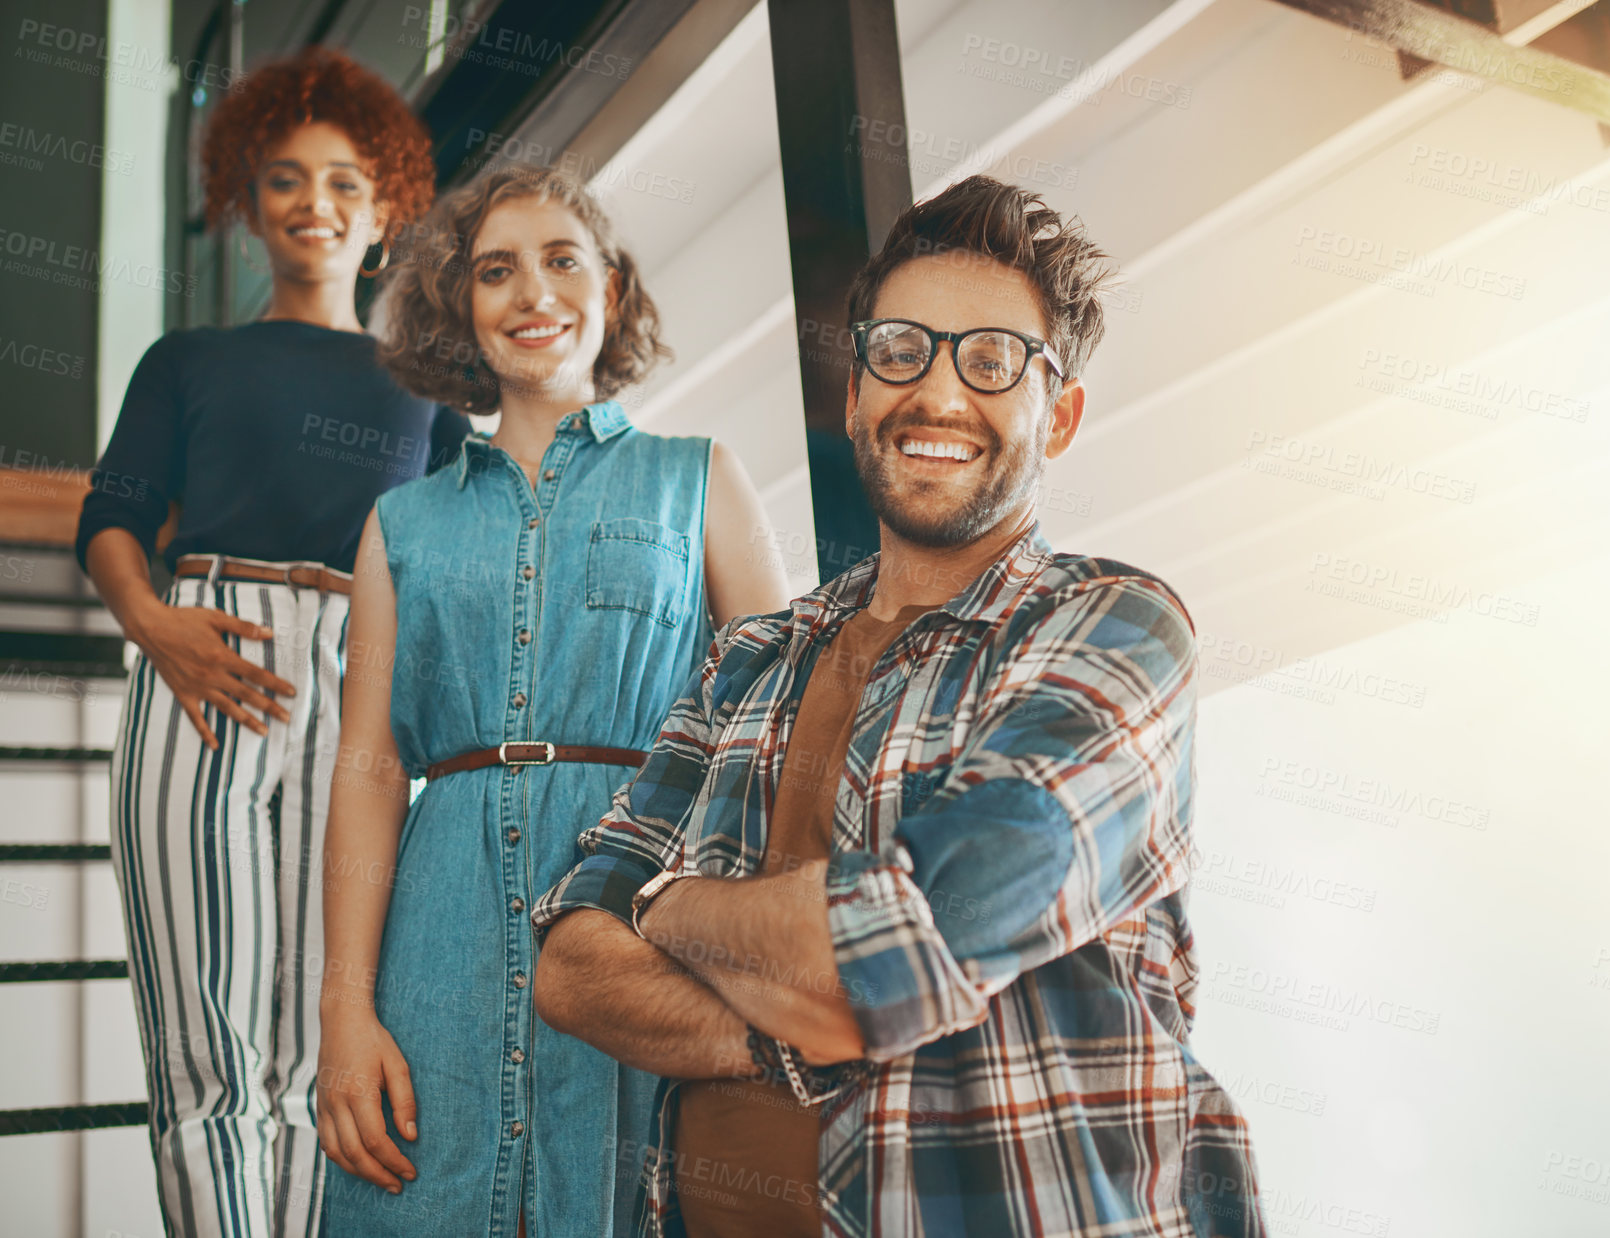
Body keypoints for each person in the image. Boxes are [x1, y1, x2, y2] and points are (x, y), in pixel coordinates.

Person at [529, 174, 1267, 1237]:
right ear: (852, 395)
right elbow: (570, 965)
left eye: (989, 358)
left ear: (1055, 415)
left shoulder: (1112, 626)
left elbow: (887, 952)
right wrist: (782, 1024)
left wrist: (668, 906)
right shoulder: (747, 658)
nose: (937, 392)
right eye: (899, 351)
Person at [314, 164, 792, 1238]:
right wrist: (345, 1007)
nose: (533, 292)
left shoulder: (701, 477)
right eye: (496, 271)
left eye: (561, 260)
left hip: (641, 931)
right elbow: (370, 767)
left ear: (609, 288)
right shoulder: (400, 523)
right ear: (460, 310)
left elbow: (777, 732)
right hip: (434, 937)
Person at [76, 47, 464, 1238]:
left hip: (365, 686)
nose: (315, 203)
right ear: (247, 204)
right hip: (207, 661)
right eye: (286, 180)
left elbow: (452, 570)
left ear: (388, 206)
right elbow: (112, 518)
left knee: (325, 1035)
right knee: (206, 1040)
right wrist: (152, 624)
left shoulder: (427, 385)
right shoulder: (188, 359)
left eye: (345, 182)